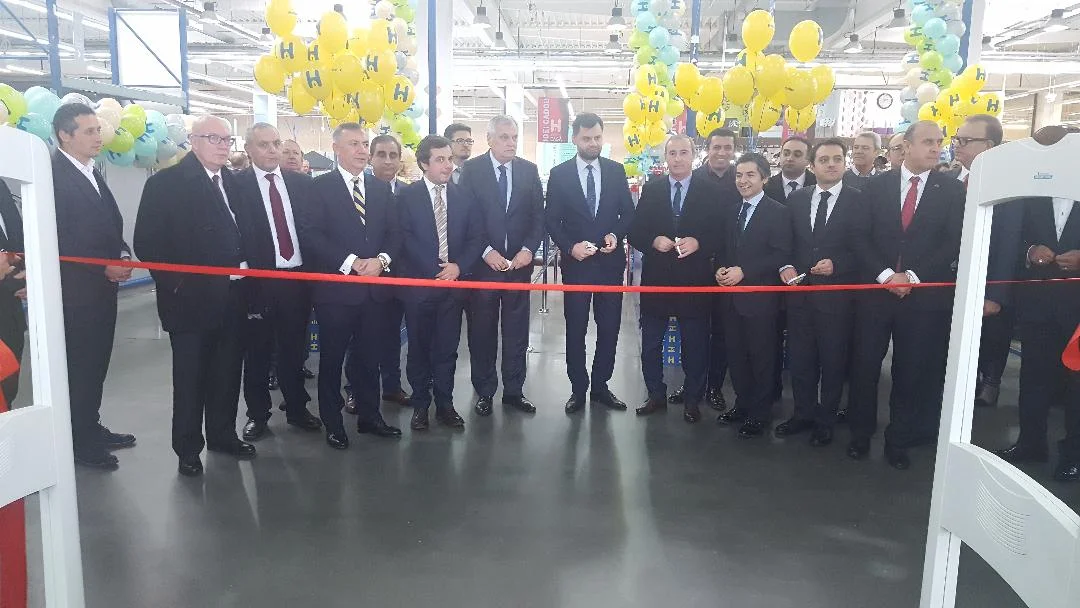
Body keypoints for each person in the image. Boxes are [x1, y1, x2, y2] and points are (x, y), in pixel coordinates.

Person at [134, 115, 256, 477]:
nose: (222, 146)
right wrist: (179, 284)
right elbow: (148, 243)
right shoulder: (166, 184)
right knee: (190, 379)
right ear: (193, 140)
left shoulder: (233, 182)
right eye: (213, 138)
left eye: (227, 140)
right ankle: (187, 448)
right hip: (191, 300)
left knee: (227, 372)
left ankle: (222, 434)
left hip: (234, 294)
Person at [846, 120, 965, 470]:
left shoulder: (951, 190)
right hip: (875, 292)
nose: (936, 148)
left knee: (911, 370)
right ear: (906, 147)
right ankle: (860, 434)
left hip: (922, 296)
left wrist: (912, 276)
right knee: (865, 366)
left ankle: (899, 439)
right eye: (928, 141)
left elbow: (952, 241)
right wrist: (886, 275)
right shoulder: (874, 187)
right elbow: (858, 236)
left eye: (939, 141)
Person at [298, 123, 402, 449]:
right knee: (331, 360)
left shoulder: (381, 188)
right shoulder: (319, 188)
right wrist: (352, 262)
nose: (361, 150)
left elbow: (395, 234)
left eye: (364, 143)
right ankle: (333, 422)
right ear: (336, 148)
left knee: (370, 359)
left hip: (374, 291)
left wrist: (382, 260)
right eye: (354, 143)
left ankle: (370, 416)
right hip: (336, 292)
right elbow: (311, 234)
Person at [51, 103, 136, 470]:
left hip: (102, 290)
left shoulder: (91, 172)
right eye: (89, 131)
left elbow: (110, 223)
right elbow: (59, 238)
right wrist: (102, 266)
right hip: (76, 293)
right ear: (64, 135)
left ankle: (90, 424)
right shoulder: (53, 177)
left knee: (97, 362)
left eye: (98, 130)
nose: (98, 137)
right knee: (80, 366)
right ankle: (79, 439)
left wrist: (122, 253)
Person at [232, 123, 322, 442]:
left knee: (294, 349)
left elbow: (312, 229)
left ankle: (297, 408)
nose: (272, 150)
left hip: (297, 279)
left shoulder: (301, 184)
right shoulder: (235, 185)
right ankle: (257, 415)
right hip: (257, 280)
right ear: (248, 149)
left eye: (276, 143)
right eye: (263, 144)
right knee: (257, 351)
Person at [628, 135, 724, 423]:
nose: (678, 158)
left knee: (695, 345)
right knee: (651, 344)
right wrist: (653, 240)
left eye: (684, 152)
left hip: (695, 280)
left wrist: (700, 243)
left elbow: (722, 233)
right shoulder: (652, 189)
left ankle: (693, 400)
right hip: (657, 279)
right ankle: (655, 394)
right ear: (666, 157)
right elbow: (635, 231)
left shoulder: (711, 191)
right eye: (673, 153)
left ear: (693, 155)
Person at [545, 113, 635, 415]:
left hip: (610, 265)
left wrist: (616, 235)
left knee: (609, 329)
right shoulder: (559, 175)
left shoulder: (616, 171)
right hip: (577, 266)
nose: (593, 143)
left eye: (597, 137)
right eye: (586, 138)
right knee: (576, 329)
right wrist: (570, 247)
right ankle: (578, 388)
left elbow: (628, 213)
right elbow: (551, 220)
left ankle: (600, 386)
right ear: (575, 139)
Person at [775, 139, 862, 447]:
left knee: (833, 361)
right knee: (801, 360)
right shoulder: (797, 199)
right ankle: (803, 414)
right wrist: (785, 265)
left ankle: (826, 420)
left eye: (837, 158)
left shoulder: (858, 200)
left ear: (845, 163)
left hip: (837, 298)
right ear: (812, 166)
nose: (831, 164)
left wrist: (838, 264)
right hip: (800, 295)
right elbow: (786, 241)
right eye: (824, 159)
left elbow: (864, 248)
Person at [458, 116, 544, 417]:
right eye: (505, 137)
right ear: (490, 139)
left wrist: (528, 250)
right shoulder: (472, 170)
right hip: (483, 268)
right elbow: (465, 216)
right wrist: (485, 251)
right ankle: (484, 391)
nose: (511, 143)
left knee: (517, 331)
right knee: (482, 331)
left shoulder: (529, 170)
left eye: (515, 137)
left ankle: (514, 391)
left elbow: (538, 217)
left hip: (519, 267)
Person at [397, 135, 484, 431]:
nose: (448, 165)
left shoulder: (464, 197)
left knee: (447, 349)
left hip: (453, 289)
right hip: (419, 287)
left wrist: (458, 267)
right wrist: (435, 270)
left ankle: (445, 405)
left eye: (449, 159)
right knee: (419, 349)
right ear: (424, 163)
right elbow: (403, 238)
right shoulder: (406, 197)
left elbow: (476, 237)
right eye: (440, 159)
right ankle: (421, 405)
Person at [994, 196, 1080, 481]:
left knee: (1077, 384)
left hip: (1077, 309)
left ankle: (1074, 454)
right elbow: (1010, 238)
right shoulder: (1032, 193)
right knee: (1033, 376)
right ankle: (1031, 444)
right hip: (1037, 303)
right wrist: (1030, 251)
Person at [715, 152, 792, 438]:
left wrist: (744, 271)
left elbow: (781, 253)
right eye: (739, 175)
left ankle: (760, 413)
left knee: (762, 357)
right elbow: (725, 250)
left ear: (764, 178)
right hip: (731, 299)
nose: (743, 180)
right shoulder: (732, 211)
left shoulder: (778, 212)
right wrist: (720, 269)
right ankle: (742, 404)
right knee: (736, 355)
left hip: (761, 300)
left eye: (750, 175)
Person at [952, 115, 1023, 409]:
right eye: (957, 139)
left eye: (966, 140)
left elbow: (1009, 243)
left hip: (990, 279)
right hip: (954, 279)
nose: (957, 145)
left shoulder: (1008, 187)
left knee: (991, 337)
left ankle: (989, 383)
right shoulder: (954, 181)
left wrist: (996, 294)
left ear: (990, 146)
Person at [676, 127, 741, 411]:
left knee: (723, 331)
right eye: (717, 147)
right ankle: (692, 383)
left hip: (730, 266)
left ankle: (714, 386)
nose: (722, 152)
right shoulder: (693, 178)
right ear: (707, 149)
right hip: (695, 267)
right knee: (694, 331)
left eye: (728, 147)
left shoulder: (741, 178)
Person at [365, 134, 410, 407]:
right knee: (362, 339)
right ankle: (357, 390)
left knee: (393, 335)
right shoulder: (358, 190)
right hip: (369, 276)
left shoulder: (410, 193)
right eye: (381, 154)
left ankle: (392, 386)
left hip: (402, 278)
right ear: (371, 158)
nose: (388, 161)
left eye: (393, 155)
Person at [0, 178, 25, 406]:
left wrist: (27, 274)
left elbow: (17, 235)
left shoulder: (1, 185)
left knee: (7, 388)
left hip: (10, 308)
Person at [763, 136, 817, 204]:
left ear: (808, 160)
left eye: (797, 155)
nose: (789, 158)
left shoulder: (819, 185)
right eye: (786, 154)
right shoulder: (766, 186)